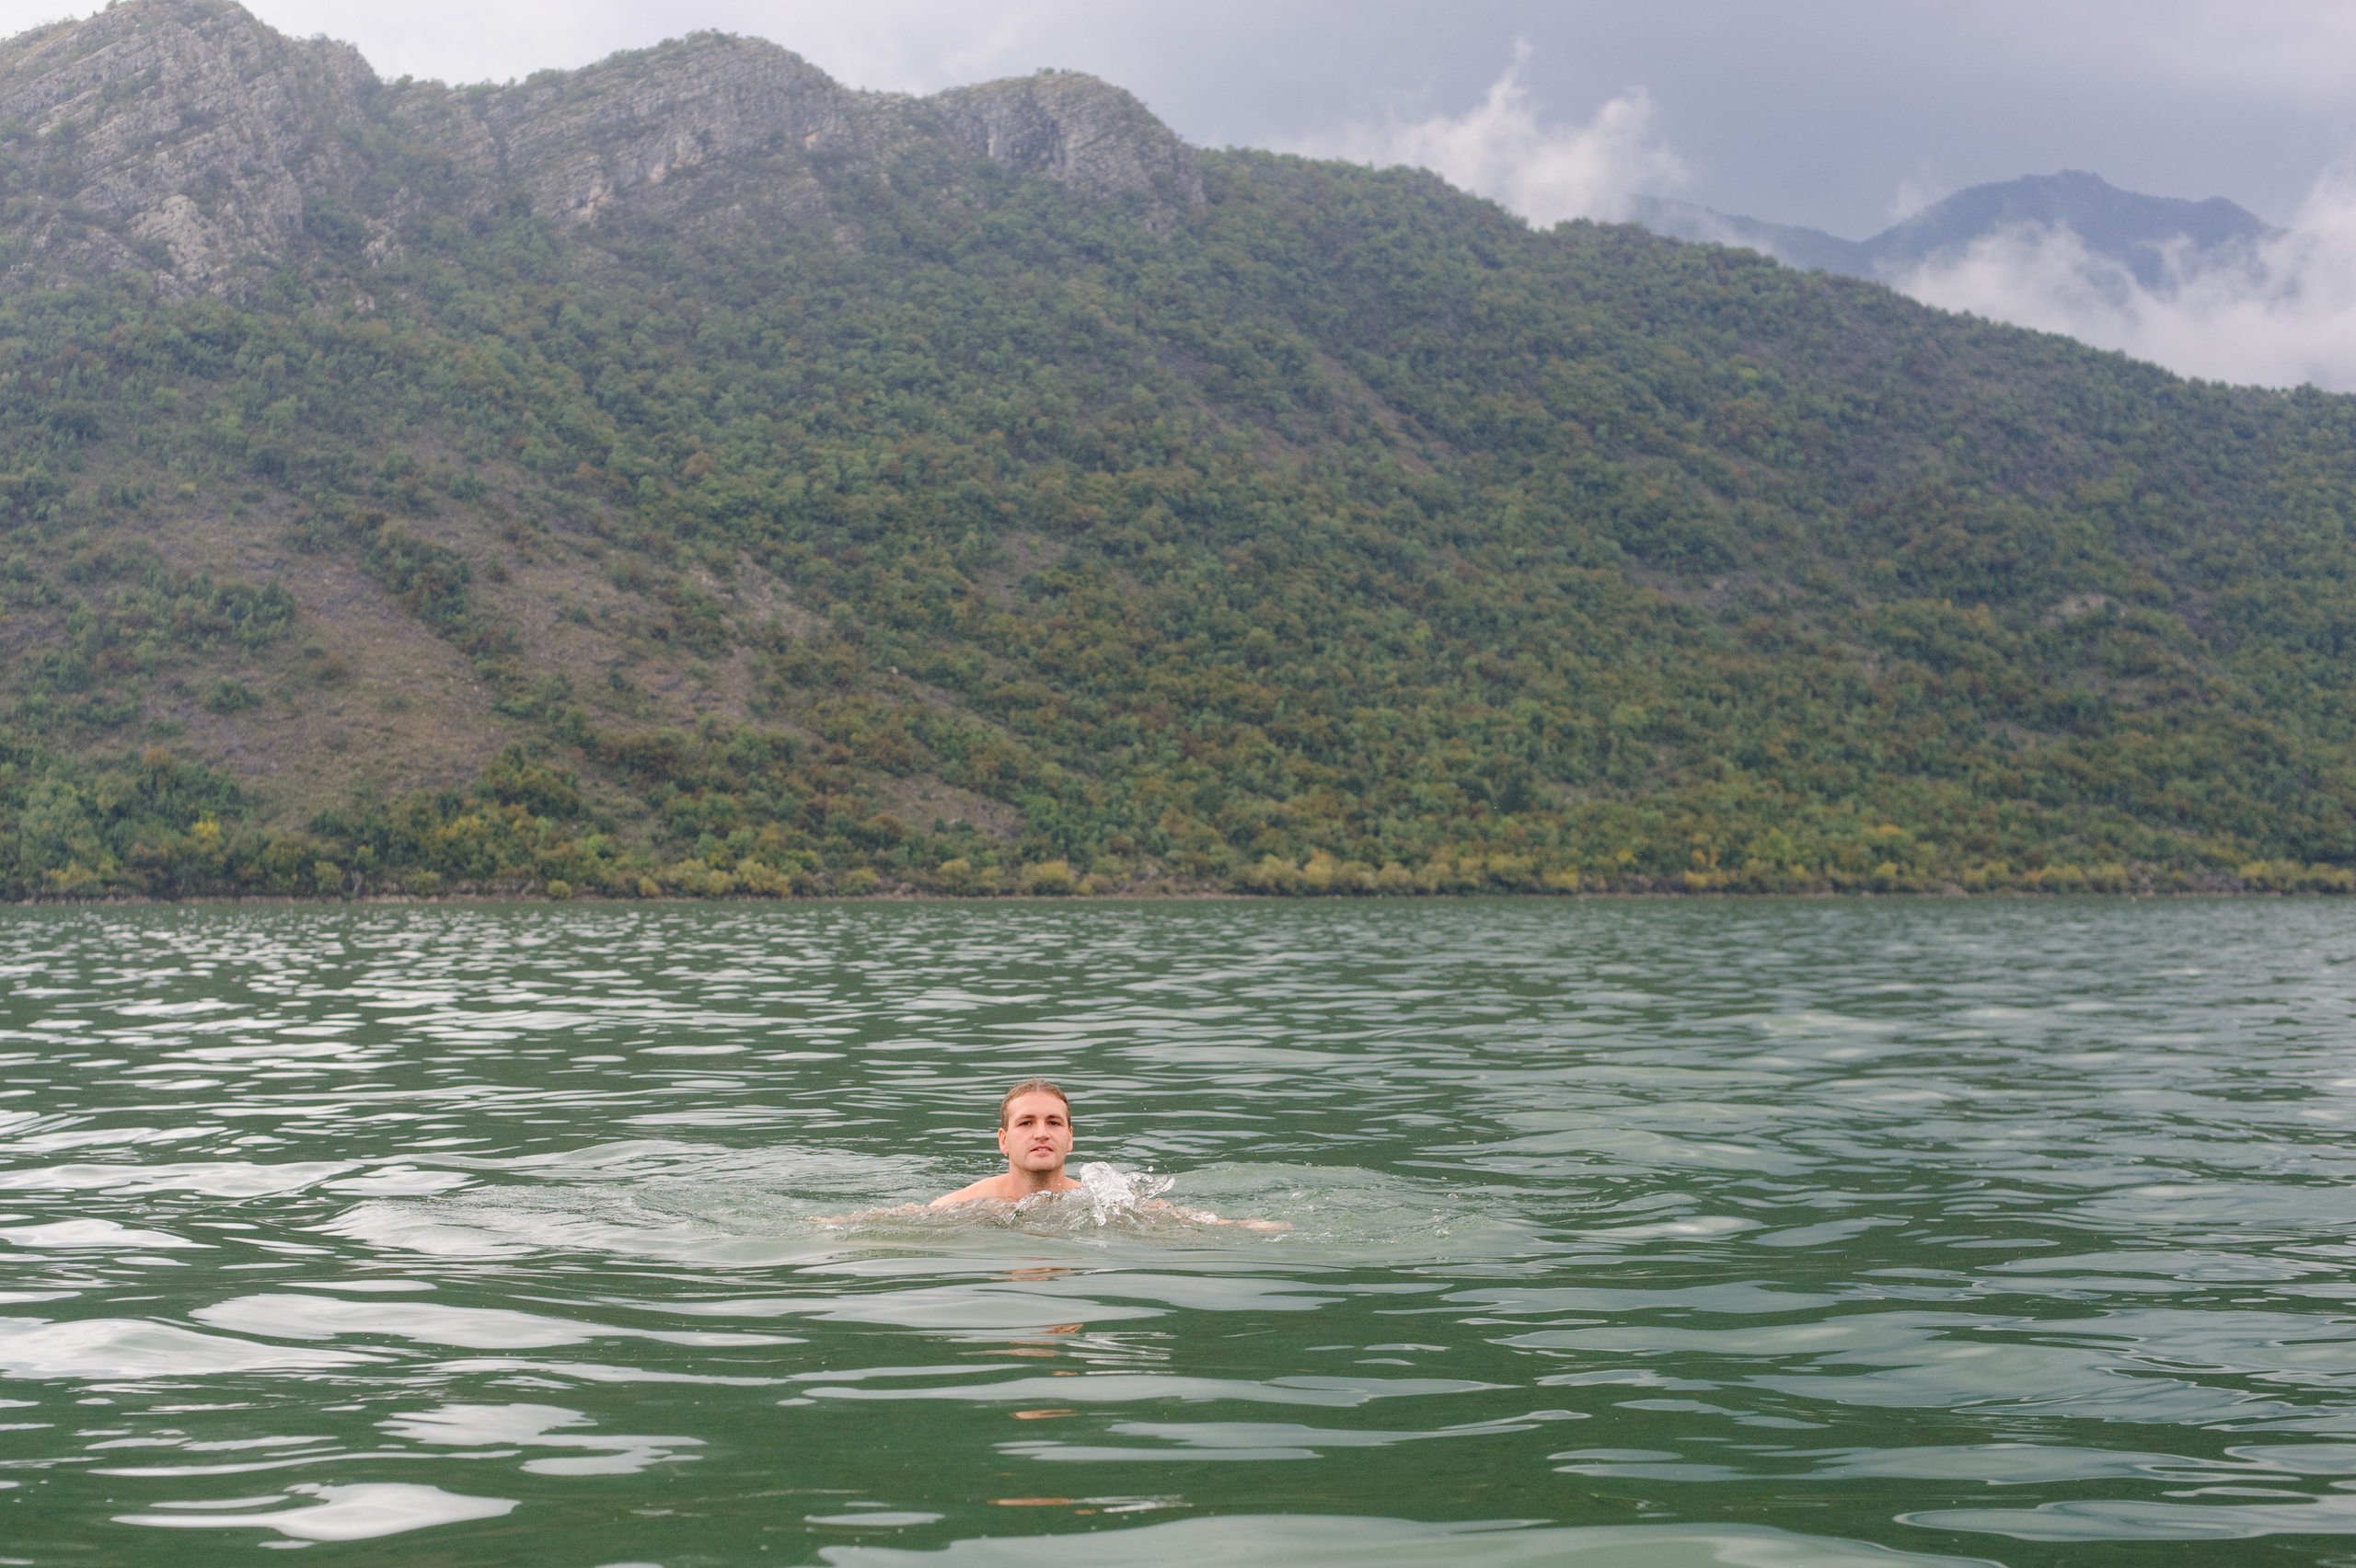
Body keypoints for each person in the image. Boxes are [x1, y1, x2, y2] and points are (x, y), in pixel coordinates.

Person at [931, 1078, 1083, 1206]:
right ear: (1003, 1141)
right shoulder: (962, 1205)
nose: (1041, 1134)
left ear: (1069, 1138)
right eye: (1026, 1123)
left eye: (1054, 1123)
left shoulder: (1097, 1203)